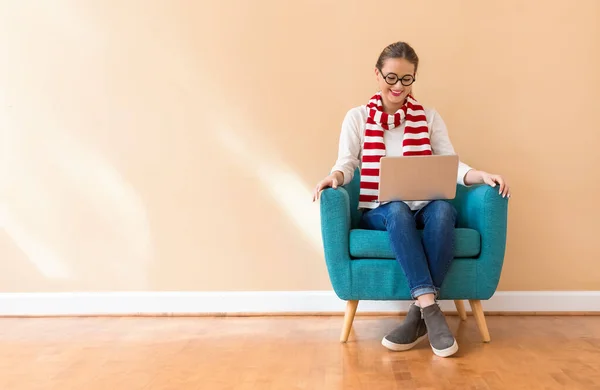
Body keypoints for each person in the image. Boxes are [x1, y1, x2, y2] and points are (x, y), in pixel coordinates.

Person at [312, 41, 510, 358]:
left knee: (444, 210)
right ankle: (431, 307)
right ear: (377, 75)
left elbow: (451, 165)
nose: (398, 86)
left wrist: (480, 175)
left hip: (424, 206)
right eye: (391, 77)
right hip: (380, 211)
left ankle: (417, 316)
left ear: (413, 79)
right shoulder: (358, 117)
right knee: (398, 210)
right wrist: (334, 179)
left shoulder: (428, 118)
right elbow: (347, 164)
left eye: (406, 79)